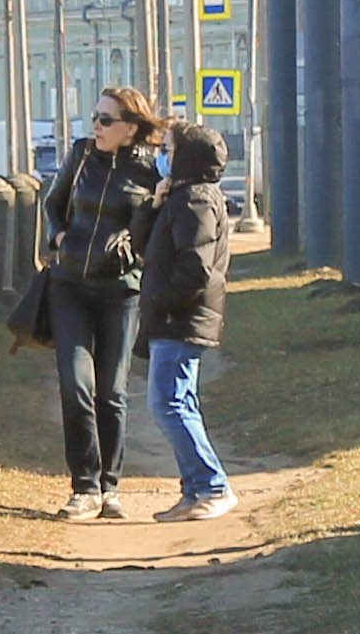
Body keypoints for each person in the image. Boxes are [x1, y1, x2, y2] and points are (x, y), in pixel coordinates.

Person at [40, 84, 162, 519]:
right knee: (77, 385)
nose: (96, 126)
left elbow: (149, 236)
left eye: (106, 120)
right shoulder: (81, 156)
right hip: (69, 285)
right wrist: (57, 235)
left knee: (111, 391)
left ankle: (110, 488)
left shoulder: (149, 172)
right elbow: (52, 203)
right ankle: (84, 486)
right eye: (94, 117)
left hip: (120, 291)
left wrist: (149, 213)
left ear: (131, 128)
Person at [140, 117, 237, 521]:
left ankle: (213, 485)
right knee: (178, 401)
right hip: (176, 317)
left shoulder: (195, 200)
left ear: (186, 157)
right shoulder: (181, 197)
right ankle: (194, 489)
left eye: (168, 151)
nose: (161, 158)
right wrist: (156, 202)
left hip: (181, 318)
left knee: (168, 403)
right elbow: (144, 242)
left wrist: (163, 302)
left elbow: (194, 269)